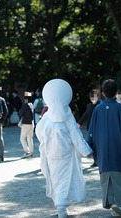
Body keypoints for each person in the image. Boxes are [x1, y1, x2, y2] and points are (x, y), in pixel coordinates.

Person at [35, 79, 93, 218]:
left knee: (55, 179)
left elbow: (39, 133)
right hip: (65, 154)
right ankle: (61, 207)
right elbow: (76, 135)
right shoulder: (66, 114)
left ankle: (59, 205)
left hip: (50, 153)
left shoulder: (47, 116)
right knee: (64, 180)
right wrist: (86, 151)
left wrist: (47, 141)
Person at [86, 79, 121, 217]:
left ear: (103, 93)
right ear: (116, 93)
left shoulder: (97, 109)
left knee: (106, 174)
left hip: (103, 148)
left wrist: (89, 147)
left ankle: (111, 202)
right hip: (119, 146)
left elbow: (91, 130)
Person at [78, 89, 100, 167]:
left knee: (98, 145)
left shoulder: (100, 105)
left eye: (94, 97)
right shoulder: (89, 106)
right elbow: (85, 115)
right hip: (90, 129)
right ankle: (96, 160)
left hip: (98, 128)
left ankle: (99, 160)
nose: (92, 99)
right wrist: (80, 123)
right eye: (91, 98)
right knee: (92, 145)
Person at [19, 93, 34, 158]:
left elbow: (20, 113)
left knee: (22, 138)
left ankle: (27, 151)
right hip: (31, 123)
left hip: (25, 124)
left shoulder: (25, 105)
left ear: (26, 100)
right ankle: (31, 151)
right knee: (30, 138)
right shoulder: (31, 105)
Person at [0, 89, 8, 162]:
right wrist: (2, 120)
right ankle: (1, 156)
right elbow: (6, 111)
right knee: (0, 139)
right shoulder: (2, 100)